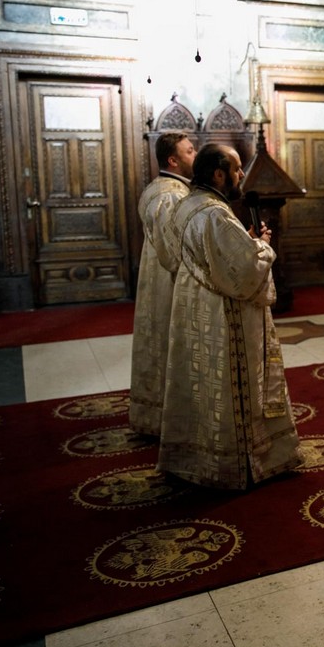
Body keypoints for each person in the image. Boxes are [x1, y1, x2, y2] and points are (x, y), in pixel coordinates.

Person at [158, 144, 301, 489]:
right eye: (237, 169)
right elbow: (246, 270)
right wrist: (263, 246)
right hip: (223, 314)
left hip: (195, 305)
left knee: (203, 385)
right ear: (219, 174)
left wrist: (245, 242)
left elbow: (211, 255)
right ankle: (240, 460)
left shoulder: (187, 205)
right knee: (230, 383)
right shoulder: (215, 214)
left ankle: (197, 456)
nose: (241, 176)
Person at [128, 132, 196, 437]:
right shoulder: (171, 195)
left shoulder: (168, 189)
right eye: (190, 151)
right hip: (170, 282)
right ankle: (173, 420)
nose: (196, 155)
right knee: (170, 343)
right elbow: (175, 249)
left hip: (161, 279)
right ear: (173, 160)